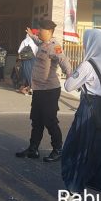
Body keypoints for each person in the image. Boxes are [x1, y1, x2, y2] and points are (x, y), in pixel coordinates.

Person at [61, 29, 101, 201]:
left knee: (76, 148)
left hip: (89, 112)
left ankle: (73, 189)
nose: (85, 45)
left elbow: (69, 85)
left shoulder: (88, 65)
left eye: (87, 42)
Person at [16, 20, 72, 162]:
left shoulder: (55, 46)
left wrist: (71, 78)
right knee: (36, 120)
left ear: (48, 31)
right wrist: (31, 35)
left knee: (50, 120)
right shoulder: (42, 43)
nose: (38, 32)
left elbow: (64, 61)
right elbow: (36, 40)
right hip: (39, 90)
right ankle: (33, 149)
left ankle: (58, 149)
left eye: (40, 30)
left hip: (50, 90)